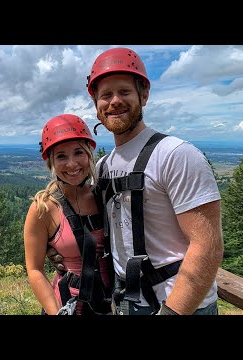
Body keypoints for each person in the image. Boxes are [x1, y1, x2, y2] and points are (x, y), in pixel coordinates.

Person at [48, 47, 223, 315]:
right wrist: (60, 250)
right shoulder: (104, 167)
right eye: (105, 95)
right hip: (127, 302)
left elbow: (207, 246)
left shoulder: (176, 155)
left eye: (124, 92)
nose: (114, 101)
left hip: (181, 304)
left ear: (144, 95)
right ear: (96, 107)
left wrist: (173, 311)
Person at [24, 114, 113, 315]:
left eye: (78, 153)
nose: (72, 164)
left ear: (89, 154)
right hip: (69, 305)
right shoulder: (44, 208)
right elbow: (35, 269)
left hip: (112, 303)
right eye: (61, 156)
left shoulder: (104, 197)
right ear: (52, 162)